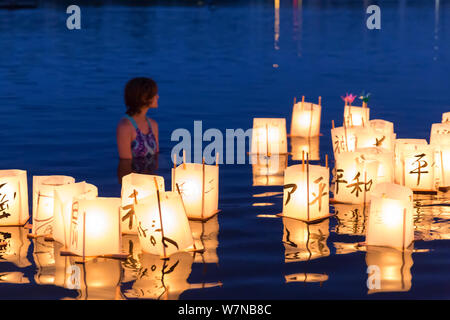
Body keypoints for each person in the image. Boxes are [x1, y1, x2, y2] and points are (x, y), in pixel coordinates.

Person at [117, 77, 159, 181]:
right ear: (145, 97)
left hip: (151, 177)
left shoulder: (153, 124)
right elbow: (125, 163)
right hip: (134, 180)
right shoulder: (125, 127)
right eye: (154, 94)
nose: (157, 97)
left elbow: (156, 155)